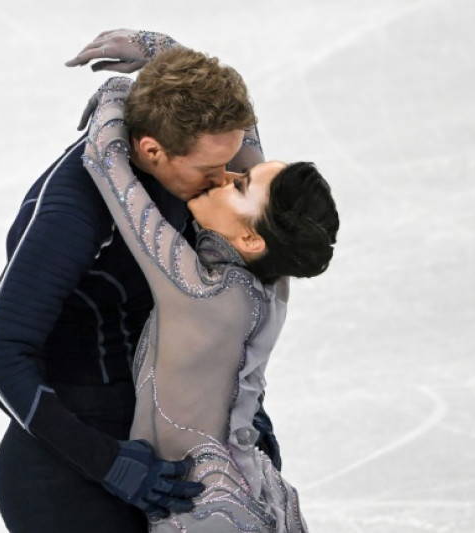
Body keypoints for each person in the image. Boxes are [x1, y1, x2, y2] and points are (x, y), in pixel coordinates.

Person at [0, 30, 280, 532]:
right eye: (209, 169)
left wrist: (164, 52)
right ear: (153, 150)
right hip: (68, 473)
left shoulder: (183, 154)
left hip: (158, 433)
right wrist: (109, 463)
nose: (227, 181)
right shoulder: (74, 211)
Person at [81, 74, 338, 531]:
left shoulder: (200, 289)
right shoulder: (273, 271)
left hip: (204, 513)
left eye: (240, 186)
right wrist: (170, 61)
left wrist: (121, 94)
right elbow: (243, 130)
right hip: (250, 490)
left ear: (249, 237)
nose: (227, 172)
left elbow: (105, 162)